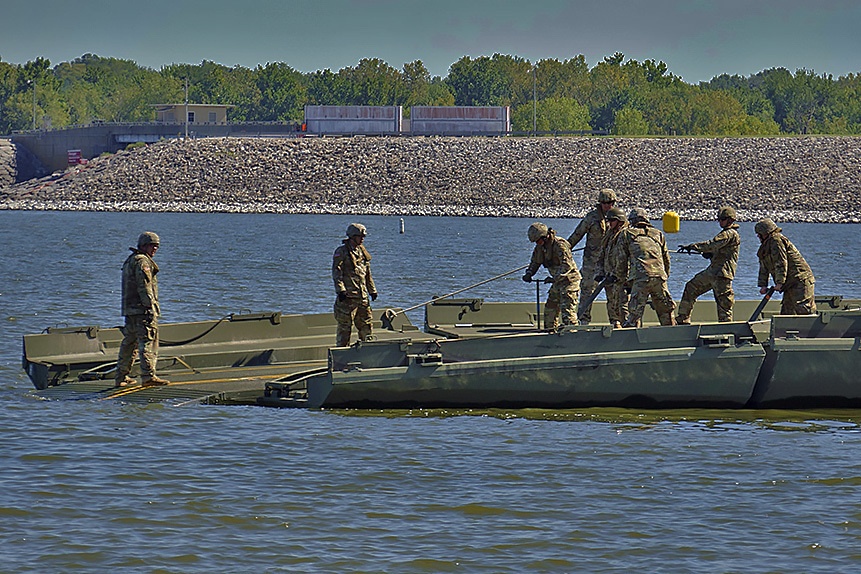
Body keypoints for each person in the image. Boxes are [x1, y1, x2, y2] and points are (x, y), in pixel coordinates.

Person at [115, 231, 169, 387]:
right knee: (147, 342)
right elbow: (144, 287)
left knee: (129, 342)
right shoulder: (143, 262)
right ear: (144, 245)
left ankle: (121, 376)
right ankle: (148, 376)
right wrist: (150, 306)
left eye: (157, 246)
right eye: (153, 246)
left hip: (130, 310)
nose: (155, 249)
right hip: (142, 310)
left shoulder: (131, 260)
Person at [675, 206, 741, 324]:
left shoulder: (730, 233)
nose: (719, 221)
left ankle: (727, 328)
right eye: (719, 219)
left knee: (724, 304)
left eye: (722, 219)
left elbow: (712, 244)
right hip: (712, 272)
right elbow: (717, 250)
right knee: (691, 287)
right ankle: (683, 318)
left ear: (730, 220)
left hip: (722, 275)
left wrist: (693, 247)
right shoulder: (726, 234)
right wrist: (710, 255)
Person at [614, 208, 675, 327]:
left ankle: (632, 342)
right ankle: (673, 338)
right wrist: (665, 276)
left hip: (640, 278)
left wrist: (622, 282)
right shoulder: (658, 234)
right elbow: (666, 259)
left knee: (634, 315)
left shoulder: (626, 234)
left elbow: (621, 261)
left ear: (631, 221)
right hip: (659, 278)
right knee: (666, 313)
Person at [567, 188, 617, 324]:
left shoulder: (618, 218)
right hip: (592, 262)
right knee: (587, 291)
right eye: (605, 203)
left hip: (610, 263)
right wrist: (565, 250)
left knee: (613, 293)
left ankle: (615, 321)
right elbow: (577, 235)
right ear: (600, 203)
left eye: (611, 202)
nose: (608, 205)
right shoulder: (591, 218)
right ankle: (583, 321)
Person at [522, 222, 581, 330]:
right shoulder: (540, 247)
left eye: (538, 241)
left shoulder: (559, 244)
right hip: (557, 282)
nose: (537, 243)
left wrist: (554, 278)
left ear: (545, 237)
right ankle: (550, 331)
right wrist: (529, 273)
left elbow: (566, 266)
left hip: (569, 281)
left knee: (567, 311)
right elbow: (535, 262)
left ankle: (573, 334)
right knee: (550, 310)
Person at [755, 218, 816, 315]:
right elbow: (764, 267)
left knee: (804, 309)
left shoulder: (776, 240)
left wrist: (779, 283)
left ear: (766, 232)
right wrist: (763, 285)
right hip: (789, 283)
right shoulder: (765, 247)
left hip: (800, 280)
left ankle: (811, 330)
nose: (758, 236)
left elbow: (781, 262)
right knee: (787, 312)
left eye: (760, 233)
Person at [333, 223, 378, 347]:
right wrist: (340, 290)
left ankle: (367, 351)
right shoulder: (342, 251)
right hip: (348, 297)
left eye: (363, 236)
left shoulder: (362, 252)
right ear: (352, 236)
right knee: (345, 327)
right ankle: (342, 355)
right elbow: (337, 272)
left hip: (362, 297)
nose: (362, 239)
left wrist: (372, 290)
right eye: (360, 236)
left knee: (366, 325)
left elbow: (367, 273)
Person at [595, 207, 629, 327]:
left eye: (612, 220)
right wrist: (599, 272)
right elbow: (601, 254)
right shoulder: (609, 235)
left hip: (622, 278)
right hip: (609, 277)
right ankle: (615, 326)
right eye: (608, 220)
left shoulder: (627, 235)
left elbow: (628, 259)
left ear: (620, 221)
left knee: (623, 306)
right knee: (612, 305)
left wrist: (621, 276)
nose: (609, 223)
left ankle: (628, 329)